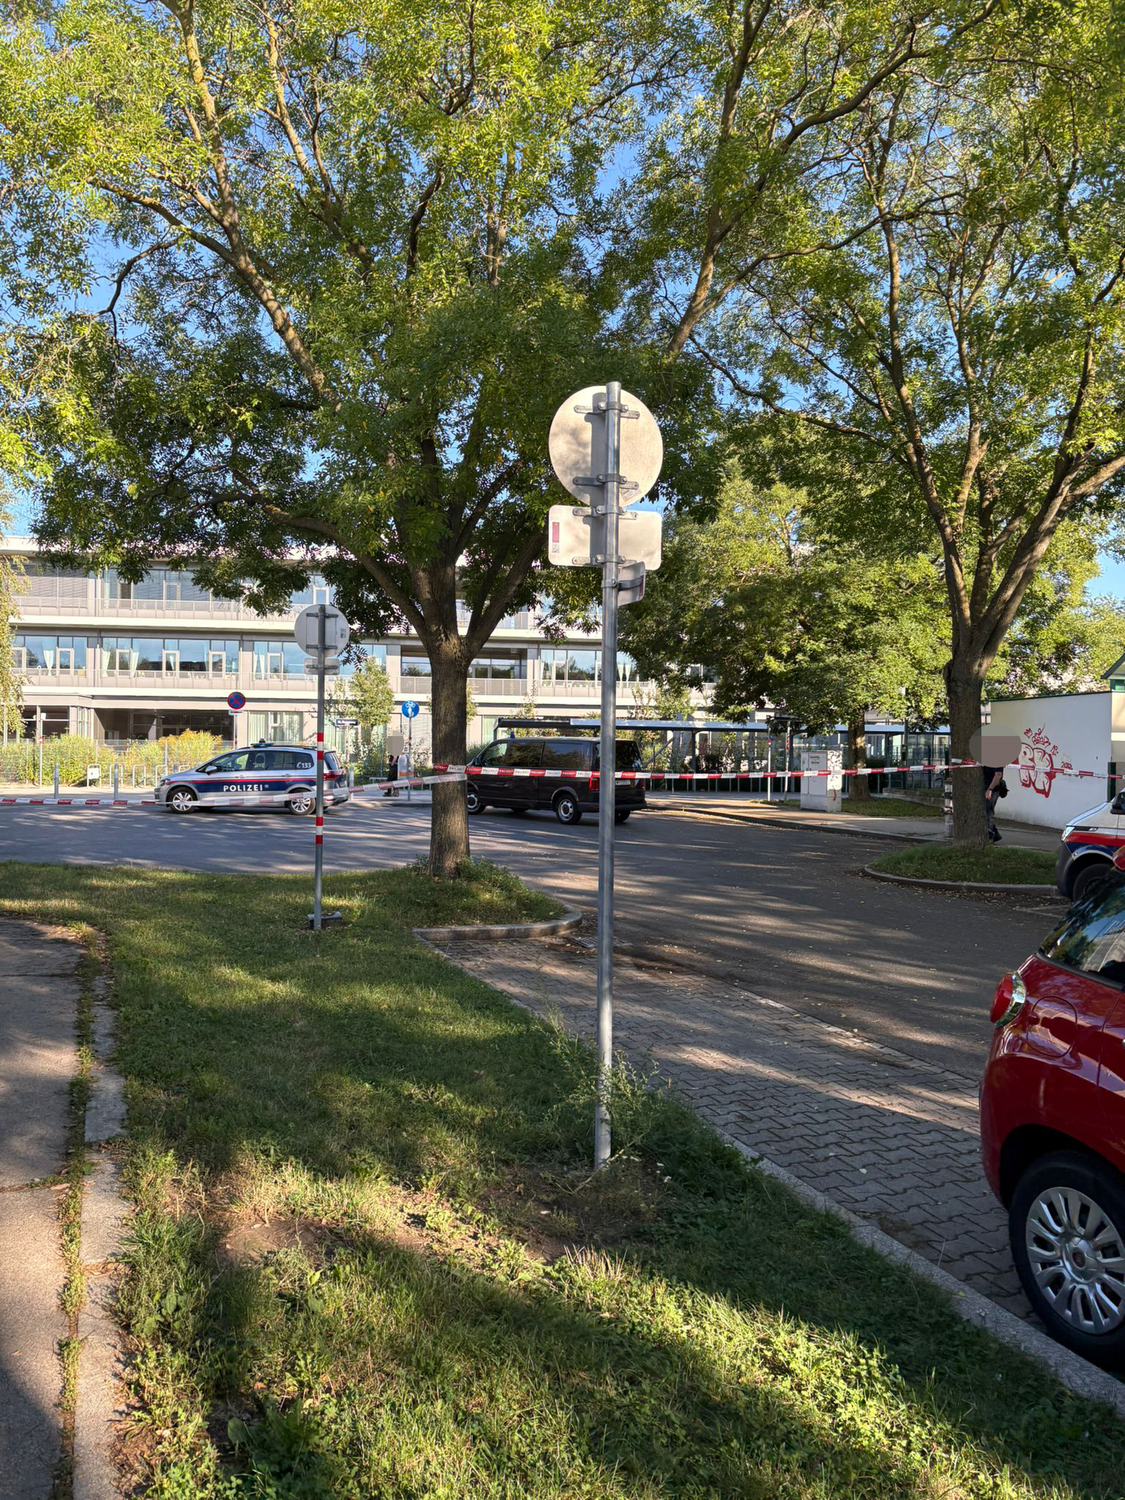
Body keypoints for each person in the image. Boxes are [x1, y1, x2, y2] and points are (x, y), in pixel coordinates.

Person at [982, 763, 1004, 843]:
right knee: (985, 812)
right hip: (986, 788)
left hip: (993, 790)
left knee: (988, 812)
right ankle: (995, 835)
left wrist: (990, 789)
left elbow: (998, 775)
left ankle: (990, 836)